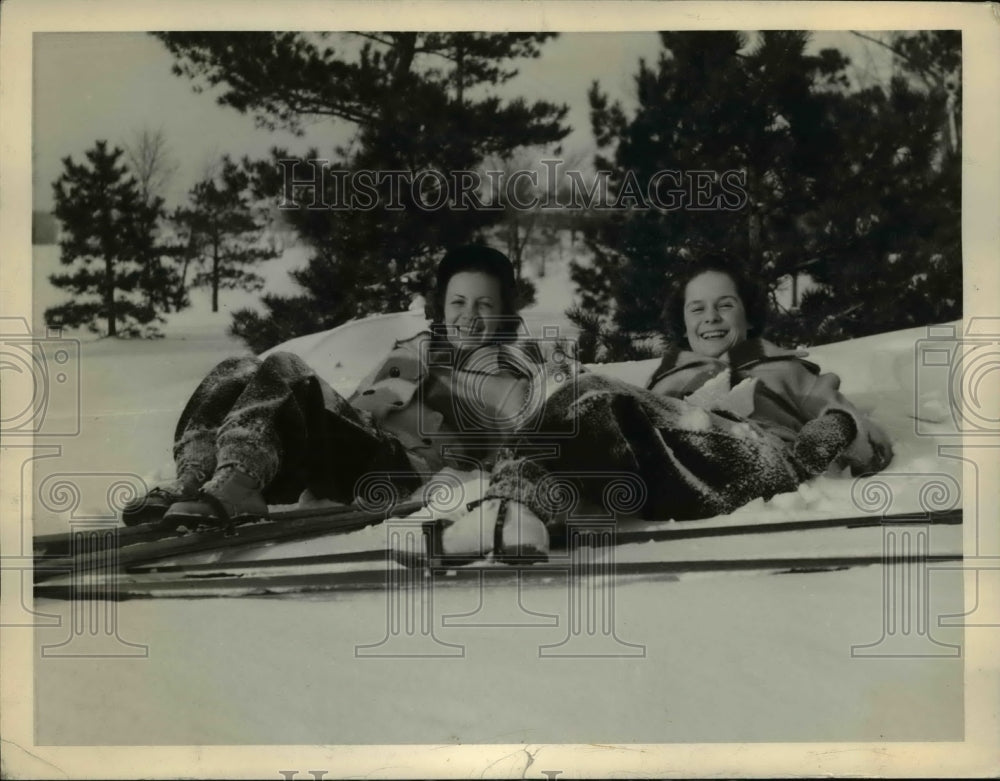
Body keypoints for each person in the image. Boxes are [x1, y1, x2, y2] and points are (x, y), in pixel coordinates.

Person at [439, 256, 894, 562]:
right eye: (697, 308)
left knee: (595, 390)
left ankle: (514, 507)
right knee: (586, 398)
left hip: (752, 461)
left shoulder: (783, 369)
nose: (710, 317)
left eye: (724, 305)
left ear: (749, 315)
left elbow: (862, 434)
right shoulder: (667, 380)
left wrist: (829, 435)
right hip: (676, 478)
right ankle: (519, 510)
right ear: (683, 321)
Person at [121, 244, 561, 557]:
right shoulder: (417, 350)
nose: (469, 315)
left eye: (485, 304)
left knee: (287, 367)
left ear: (506, 311)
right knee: (236, 371)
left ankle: (237, 483)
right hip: (358, 454)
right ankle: (196, 479)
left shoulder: (513, 375)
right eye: (458, 301)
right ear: (441, 307)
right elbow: (360, 408)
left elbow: (517, 448)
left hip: (399, 471)